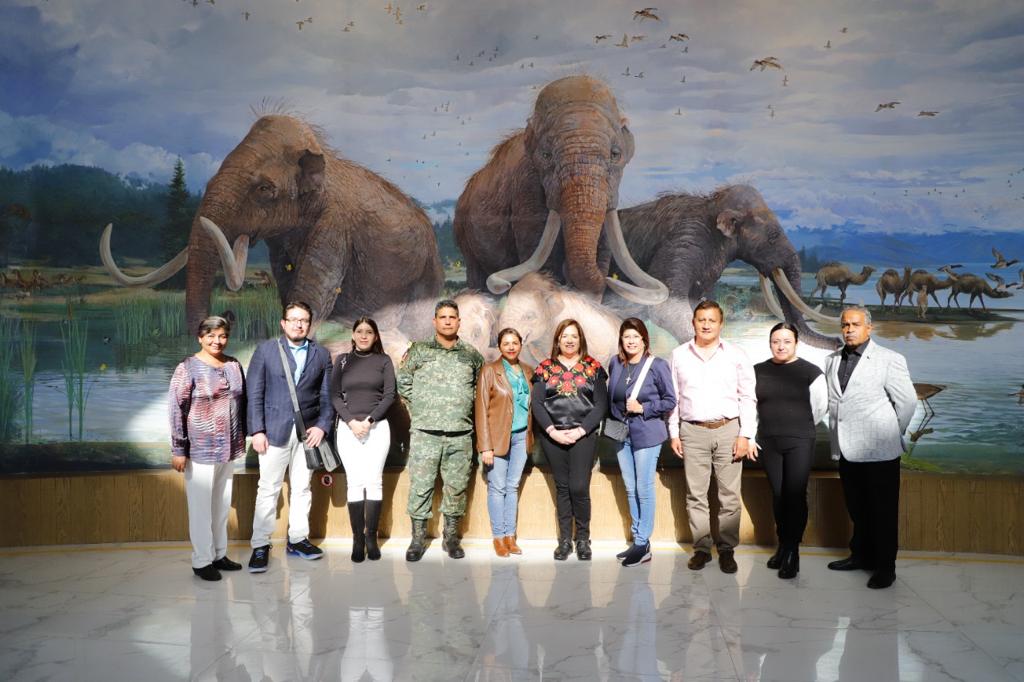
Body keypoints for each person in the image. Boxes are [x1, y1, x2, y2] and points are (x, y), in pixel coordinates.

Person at [825, 305, 916, 589]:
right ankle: (861, 556)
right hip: (847, 449)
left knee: (883, 512)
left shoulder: (890, 359)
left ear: (869, 328)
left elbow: (908, 402)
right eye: (844, 325)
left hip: (881, 449)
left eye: (854, 324)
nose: (848, 329)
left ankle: (885, 567)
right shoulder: (830, 360)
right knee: (857, 508)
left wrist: (890, 431)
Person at [668, 300, 756, 574]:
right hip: (692, 431)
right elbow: (674, 398)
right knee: (696, 495)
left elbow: (747, 397)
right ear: (693, 322)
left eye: (712, 320)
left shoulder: (736, 354)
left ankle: (727, 549)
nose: (706, 325)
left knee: (729, 496)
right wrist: (674, 433)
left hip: (729, 430)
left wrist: (746, 435)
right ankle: (702, 549)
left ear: (721, 324)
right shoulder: (679, 354)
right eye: (701, 320)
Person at [246, 301, 335, 573]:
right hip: (272, 432)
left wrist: (322, 426)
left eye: (304, 320)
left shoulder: (321, 354)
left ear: (310, 324)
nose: (299, 324)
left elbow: (327, 396)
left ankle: (297, 539)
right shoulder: (266, 351)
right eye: (293, 319)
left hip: (308, 434)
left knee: (302, 488)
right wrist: (257, 430)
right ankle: (260, 545)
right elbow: (254, 394)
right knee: (268, 489)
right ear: (283, 323)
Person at [398, 299, 484, 562]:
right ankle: (418, 539)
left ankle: (451, 538)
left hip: (460, 434)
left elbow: (478, 390)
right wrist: (423, 410)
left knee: (456, 488)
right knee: (421, 487)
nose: (447, 321)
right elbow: (403, 383)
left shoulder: (471, 354)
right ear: (434, 321)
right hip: (425, 434)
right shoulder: (419, 350)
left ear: (459, 322)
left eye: (452, 317)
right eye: (442, 317)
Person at [168, 315, 246, 581]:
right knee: (201, 508)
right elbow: (176, 409)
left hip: (230, 447)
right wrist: (179, 449)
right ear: (200, 337)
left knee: (221, 505)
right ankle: (201, 561)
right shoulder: (187, 368)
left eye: (222, 335)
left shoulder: (234, 365)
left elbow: (242, 402)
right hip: (200, 449)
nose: (217, 341)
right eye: (211, 336)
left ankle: (218, 554)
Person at [751, 323, 827, 579]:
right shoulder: (758, 371)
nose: (781, 346)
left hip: (800, 440)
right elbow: (751, 408)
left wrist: (796, 427)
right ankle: (783, 545)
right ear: (770, 343)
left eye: (786, 341)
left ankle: (793, 552)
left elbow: (819, 409)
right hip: (769, 441)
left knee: (795, 495)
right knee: (778, 495)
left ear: (796, 343)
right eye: (776, 341)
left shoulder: (811, 372)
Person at [531, 319, 608, 561]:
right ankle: (565, 540)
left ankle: (583, 539)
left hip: (583, 436)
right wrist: (552, 431)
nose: (569, 340)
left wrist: (581, 430)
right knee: (562, 488)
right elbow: (537, 404)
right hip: (552, 436)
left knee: (579, 487)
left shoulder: (594, 368)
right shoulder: (544, 368)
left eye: (574, 335)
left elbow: (600, 405)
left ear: (581, 340)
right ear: (557, 340)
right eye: (565, 336)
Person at [607, 318, 677, 567]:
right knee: (629, 487)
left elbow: (670, 400)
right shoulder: (615, 363)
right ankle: (639, 541)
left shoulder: (656, 365)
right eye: (627, 337)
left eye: (636, 336)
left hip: (647, 433)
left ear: (644, 339)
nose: (631, 341)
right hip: (621, 434)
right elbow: (612, 399)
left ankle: (641, 542)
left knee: (643, 488)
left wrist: (644, 407)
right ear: (621, 340)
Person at [331, 317, 396, 563]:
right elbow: (335, 395)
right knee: (355, 483)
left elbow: (389, 395)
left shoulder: (384, 361)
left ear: (376, 336)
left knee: (374, 482)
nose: (364, 335)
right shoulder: (343, 361)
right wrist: (351, 422)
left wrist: (369, 422)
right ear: (353, 335)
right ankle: (358, 539)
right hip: (348, 429)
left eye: (369, 332)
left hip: (377, 428)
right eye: (359, 331)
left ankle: (372, 537)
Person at [475, 327, 535, 557]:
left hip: (521, 437)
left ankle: (511, 536)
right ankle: (498, 538)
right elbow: (481, 410)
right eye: (506, 343)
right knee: (497, 488)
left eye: (515, 343)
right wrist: (486, 446)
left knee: (512, 487)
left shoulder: (528, 371)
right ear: (499, 346)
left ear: (521, 344)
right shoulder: (490, 371)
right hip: (498, 438)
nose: (510, 347)